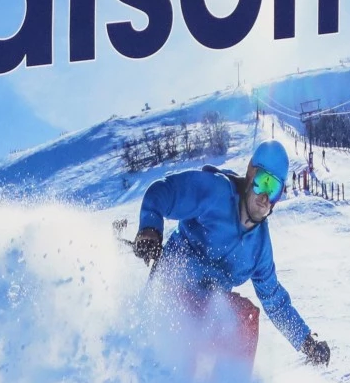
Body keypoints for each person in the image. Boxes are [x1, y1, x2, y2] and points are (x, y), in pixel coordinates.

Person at [133, 138, 331, 368]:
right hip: (171, 291)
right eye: (263, 182)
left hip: (207, 309)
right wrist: (150, 229)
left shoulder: (259, 248)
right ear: (250, 174)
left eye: (274, 190)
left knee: (246, 317)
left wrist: (307, 342)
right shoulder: (215, 192)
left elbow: (275, 301)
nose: (265, 197)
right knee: (183, 358)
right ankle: (165, 376)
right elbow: (163, 192)